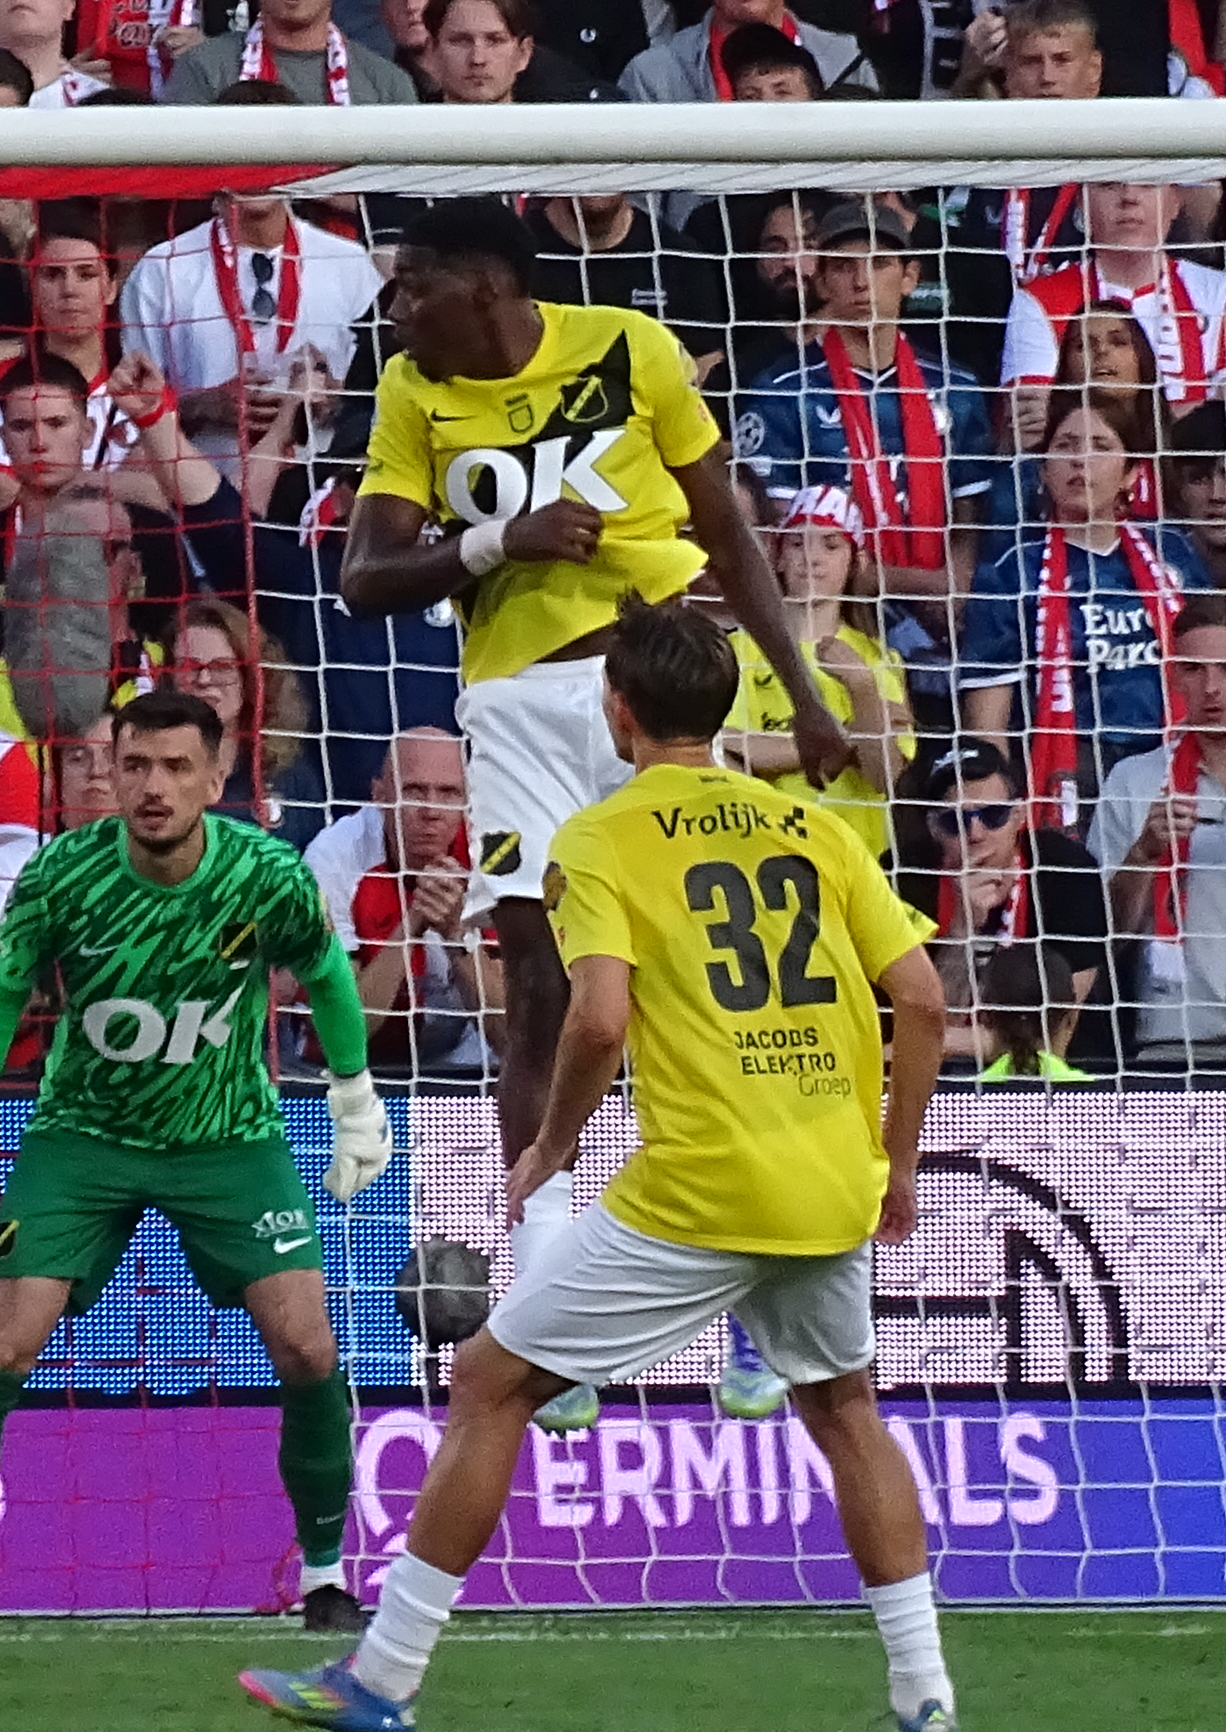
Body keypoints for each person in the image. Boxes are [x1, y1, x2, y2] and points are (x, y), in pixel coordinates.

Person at [247, 598, 952, 1732]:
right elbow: (922, 998)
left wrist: (554, 1145)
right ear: (726, 708)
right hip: (829, 1173)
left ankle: (385, 1674)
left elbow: (597, 1019)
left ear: (615, 711)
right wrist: (901, 1159)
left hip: (702, 1185)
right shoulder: (813, 830)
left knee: (488, 1382)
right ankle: (926, 1691)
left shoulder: (600, 836)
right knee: (844, 1410)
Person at [340, 201, 849, 1295]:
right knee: (536, 972)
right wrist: (493, 542)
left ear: (484, 288)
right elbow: (366, 579)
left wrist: (803, 694)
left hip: (655, 672)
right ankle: (542, 1266)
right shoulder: (411, 392)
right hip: (516, 702)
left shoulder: (630, 347)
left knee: (695, 968)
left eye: (414, 287)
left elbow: (725, 528)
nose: (396, 312)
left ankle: (751, 1242)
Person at [0, 685, 389, 1632]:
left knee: (309, 1343)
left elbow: (325, 972)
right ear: (110, 772)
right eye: (134, 766)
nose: (152, 787)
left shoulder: (266, 875)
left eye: (174, 768)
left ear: (216, 778)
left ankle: (326, 1572)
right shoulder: (60, 877)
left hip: (229, 1138)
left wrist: (353, 1095)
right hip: (81, 1140)